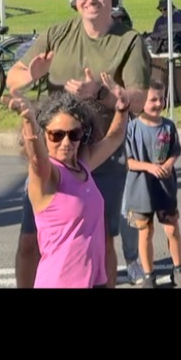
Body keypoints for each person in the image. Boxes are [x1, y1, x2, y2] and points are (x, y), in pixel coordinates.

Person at [4, 0, 152, 292]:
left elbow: (139, 99)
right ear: (74, 0)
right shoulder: (58, 34)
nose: (90, 0)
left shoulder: (129, 41)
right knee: (30, 239)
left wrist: (101, 93)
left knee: (101, 239)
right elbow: (13, 78)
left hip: (101, 151)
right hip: (55, 150)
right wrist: (31, 74)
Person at [10, 77, 130, 289]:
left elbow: (114, 138)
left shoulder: (83, 166)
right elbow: (37, 160)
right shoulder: (48, 176)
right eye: (56, 135)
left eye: (74, 134)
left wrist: (122, 108)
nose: (66, 142)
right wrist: (29, 121)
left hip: (95, 282)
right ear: (44, 135)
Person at [121, 79, 181, 288]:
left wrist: (168, 163)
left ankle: (178, 270)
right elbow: (128, 162)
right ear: (141, 101)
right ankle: (148, 275)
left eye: (161, 98)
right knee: (145, 233)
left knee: (172, 229)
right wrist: (150, 167)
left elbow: (175, 151)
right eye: (153, 99)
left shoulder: (168, 126)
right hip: (140, 190)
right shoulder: (132, 128)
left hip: (165, 188)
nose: (159, 103)